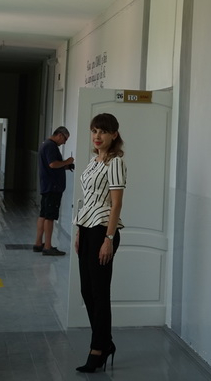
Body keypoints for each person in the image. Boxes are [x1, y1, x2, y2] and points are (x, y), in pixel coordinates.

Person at [73, 112, 126, 373]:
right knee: (87, 290)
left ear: (114, 135)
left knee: (99, 292)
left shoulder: (116, 163)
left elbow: (116, 204)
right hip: (87, 229)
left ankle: (98, 348)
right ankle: (105, 342)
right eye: (94, 131)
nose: (97, 136)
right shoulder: (93, 162)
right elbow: (88, 199)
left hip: (103, 231)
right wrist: (78, 231)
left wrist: (109, 239)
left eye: (103, 131)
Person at [33, 126, 74, 256]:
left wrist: (65, 166)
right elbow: (52, 164)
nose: (64, 142)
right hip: (53, 187)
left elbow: (52, 166)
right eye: (65, 139)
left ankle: (38, 243)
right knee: (50, 217)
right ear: (60, 135)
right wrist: (67, 161)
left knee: (43, 215)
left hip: (47, 186)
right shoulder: (51, 146)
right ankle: (48, 246)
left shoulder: (45, 144)